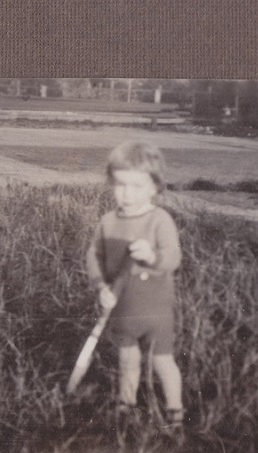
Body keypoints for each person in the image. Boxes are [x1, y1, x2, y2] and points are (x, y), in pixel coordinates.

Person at [85, 141, 184, 427]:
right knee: (127, 359)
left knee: (162, 361)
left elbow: (173, 258)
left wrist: (152, 256)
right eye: (120, 185)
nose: (127, 194)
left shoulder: (159, 220)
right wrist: (100, 286)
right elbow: (94, 255)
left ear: (155, 187)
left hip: (155, 310)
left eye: (137, 186)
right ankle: (125, 405)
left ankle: (175, 410)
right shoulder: (108, 222)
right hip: (122, 307)